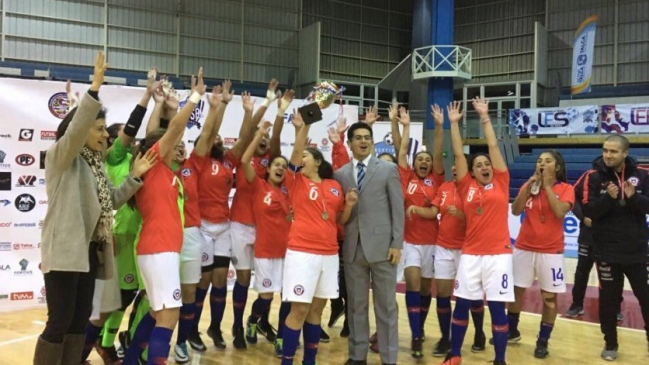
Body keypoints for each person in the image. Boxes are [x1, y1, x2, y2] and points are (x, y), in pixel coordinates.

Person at [34, 51, 155, 365]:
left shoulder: (96, 165)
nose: (105, 135)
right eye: (99, 128)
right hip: (64, 251)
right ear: (82, 127)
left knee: (77, 321)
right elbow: (75, 131)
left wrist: (134, 177)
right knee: (59, 321)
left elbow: (111, 202)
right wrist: (95, 87)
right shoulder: (62, 157)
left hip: (90, 252)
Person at [122, 67, 206, 364]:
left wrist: (167, 106)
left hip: (155, 250)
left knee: (158, 313)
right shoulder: (154, 165)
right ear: (157, 149)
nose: (177, 147)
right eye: (170, 145)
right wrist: (195, 96)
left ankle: (131, 360)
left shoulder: (162, 172)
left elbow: (166, 132)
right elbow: (173, 131)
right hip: (159, 251)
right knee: (169, 317)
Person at [80, 68, 157, 365]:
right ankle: (95, 347)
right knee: (113, 302)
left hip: (141, 235)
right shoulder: (114, 157)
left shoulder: (139, 159)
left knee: (127, 299)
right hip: (121, 234)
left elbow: (150, 136)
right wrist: (146, 97)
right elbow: (131, 133)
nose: (127, 137)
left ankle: (110, 342)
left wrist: (160, 102)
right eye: (117, 134)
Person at [280, 109, 357, 365]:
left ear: (316, 161)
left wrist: (348, 206)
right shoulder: (295, 181)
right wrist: (304, 126)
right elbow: (294, 151)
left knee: (316, 310)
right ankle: (287, 361)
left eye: (305, 156)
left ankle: (309, 361)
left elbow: (340, 222)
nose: (300, 158)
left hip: (329, 254)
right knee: (299, 309)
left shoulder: (334, 185)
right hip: (302, 252)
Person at [441, 99, 513, 365]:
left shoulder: (501, 181)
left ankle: (500, 360)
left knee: (496, 308)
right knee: (461, 305)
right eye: (479, 165)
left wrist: (485, 118)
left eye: (487, 164)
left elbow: (493, 146)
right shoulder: (464, 186)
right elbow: (458, 154)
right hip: (470, 255)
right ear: (470, 173)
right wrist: (453, 124)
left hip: (499, 256)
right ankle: (455, 354)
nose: (485, 167)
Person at [334, 120, 405, 365]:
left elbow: (398, 209)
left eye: (367, 137)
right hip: (353, 248)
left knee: (386, 307)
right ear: (350, 142)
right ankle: (357, 355)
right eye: (358, 137)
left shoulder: (387, 170)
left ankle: (389, 358)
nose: (363, 141)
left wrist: (397, 243)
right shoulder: (340, 174)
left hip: (384, 248)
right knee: (355, 307)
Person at [173, 80, 232, 363]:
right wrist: (212, 107)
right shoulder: (180, 165)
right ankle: (188, 331)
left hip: (210, 230)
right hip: (190, 232)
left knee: (217, 280)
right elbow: (207, 134)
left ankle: (211, 329)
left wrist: (218, 106)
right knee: (198, 285)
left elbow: (211, 134)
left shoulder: (198, 164)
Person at [410, 154, 486, 358]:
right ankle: (446, 338)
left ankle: (479, 333)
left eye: (459, 166)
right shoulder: (444, 188)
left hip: (467, 249)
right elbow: (433, 211)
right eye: (454, 165)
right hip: (443, 247)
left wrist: (461, 215)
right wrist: (417, 209)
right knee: (442, 295)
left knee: (472, 295)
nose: (454, 168)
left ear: (468, 170)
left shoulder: (476, 189)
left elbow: (482, 222)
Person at [581, 135, 649, 361]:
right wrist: (609, 199)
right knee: (609, 302)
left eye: (613, 151)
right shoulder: (593, 176)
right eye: (605, 150)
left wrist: (633, 199)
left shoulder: (643, 175)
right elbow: (589, 211)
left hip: (637, 252)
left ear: (625, 153)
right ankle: (610, 343)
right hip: (606, 252)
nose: (607, 155)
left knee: (646, 298)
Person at [509, 150, 574, 358]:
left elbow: (559, 212)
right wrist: (527, 188)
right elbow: (516, 211)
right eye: (539, 161)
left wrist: (547, 187)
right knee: (515, 292)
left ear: (558, 167)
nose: (542, 164)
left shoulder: (566, 189)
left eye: (547, 161)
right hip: (523, 248)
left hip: (551, 251)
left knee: (549, 298)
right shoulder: (529, 186)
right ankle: (512, 331)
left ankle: (543, 340)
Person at [239, 121, 291, 358]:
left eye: (284, 166)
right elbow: (243, 161)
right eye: (277, 165)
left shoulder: (292, 191)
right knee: (266, 297)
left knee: (288, 298)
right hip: (265, 251)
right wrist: (259, 133)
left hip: (289, 252)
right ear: (268, 169)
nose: (281, 168)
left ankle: (282, 338)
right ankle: (253, 319)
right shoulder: (258, 185)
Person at [395, 106, 444, 359]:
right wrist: (405, 126)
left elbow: (437, 151)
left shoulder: (436, 178)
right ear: (414, 164)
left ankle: (420, 327)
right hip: (410, 242)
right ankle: (415, 336)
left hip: (433, 243)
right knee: (413, 285)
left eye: (427, 161)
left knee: (426, 290)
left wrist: (438, 125)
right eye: (420, 160)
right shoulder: (405, 177)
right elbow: (401, 151)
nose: (424, 162)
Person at [566, 164, 625, 322]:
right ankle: (576, 304)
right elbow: (572, 196)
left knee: (612, 273)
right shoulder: (589, 176)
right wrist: (582, 217)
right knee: (582, 271)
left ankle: (615, 307)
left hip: (610, 236)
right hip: (588, 235)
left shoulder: (623, 178)